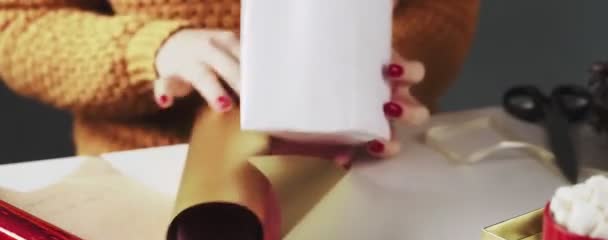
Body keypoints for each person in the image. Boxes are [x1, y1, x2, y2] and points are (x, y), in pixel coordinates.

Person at [0, 0, 480, 162]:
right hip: (145, 174)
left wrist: (379, 62)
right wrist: (151, 49)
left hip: (365, 171)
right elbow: (15, 22)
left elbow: (443, 12)